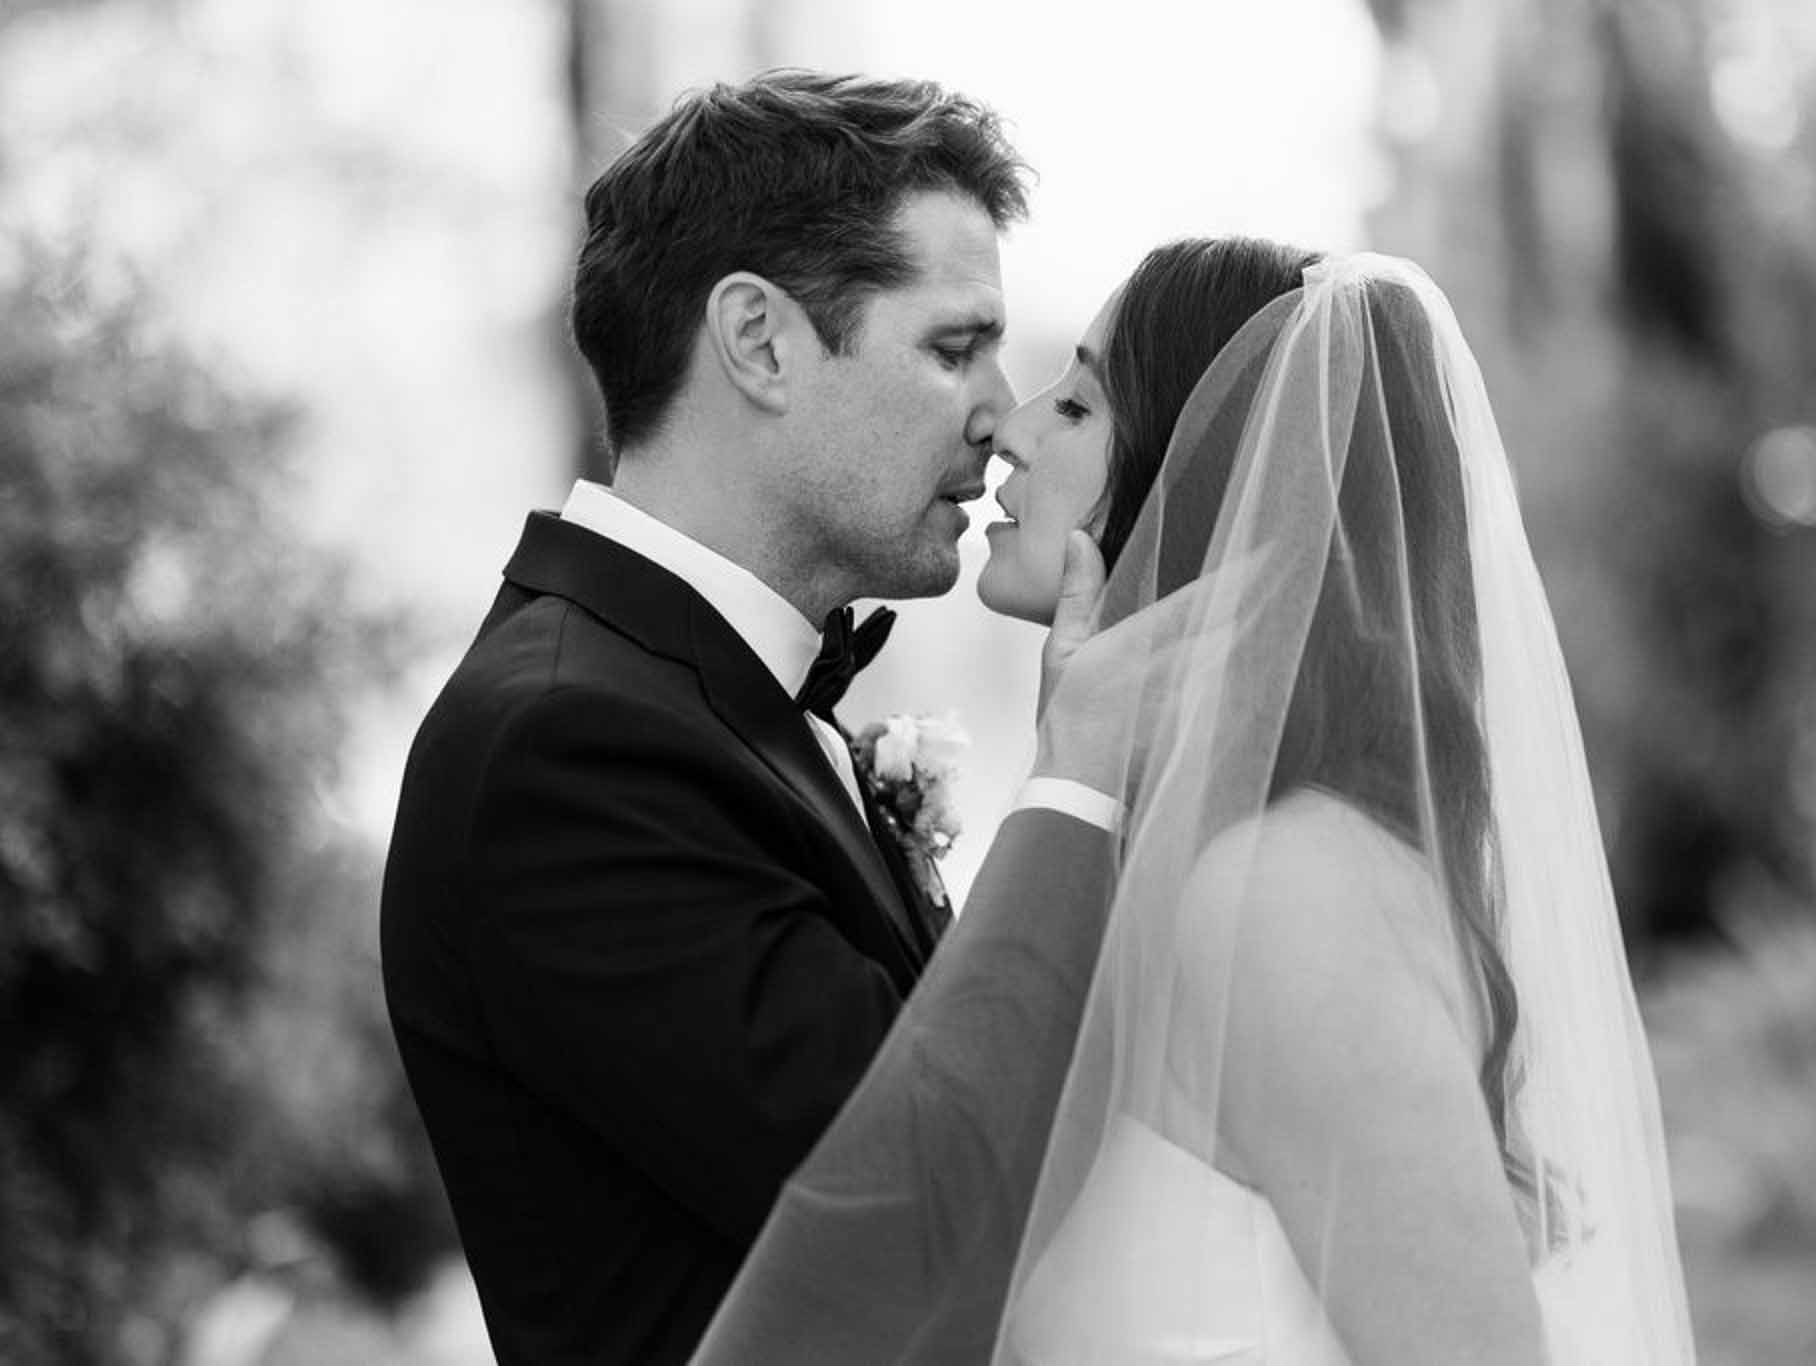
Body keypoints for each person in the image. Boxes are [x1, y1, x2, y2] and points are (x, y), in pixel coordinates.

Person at [694, 243, 1698, 1362]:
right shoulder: (1170, 859)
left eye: (1076, 403)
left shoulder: (1281, 892)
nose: (1010, 429)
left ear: (1211, 480)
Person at [379, 71, 1129, 1364]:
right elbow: (930, 1205)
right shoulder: (563, 750)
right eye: (954, 347)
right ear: (761, 342)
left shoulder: (710, 702)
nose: (1002, 415)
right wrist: (1078, 780)